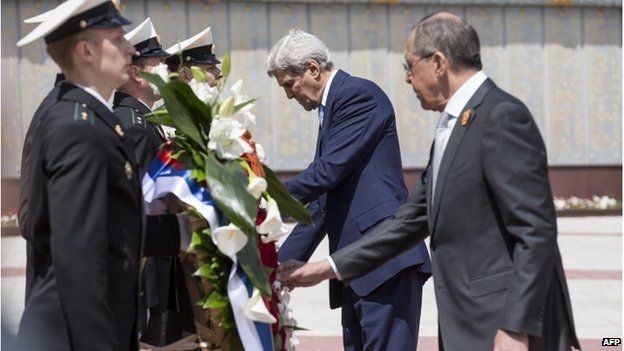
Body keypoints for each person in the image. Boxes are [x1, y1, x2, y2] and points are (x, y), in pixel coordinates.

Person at [279, 13, 580, 351]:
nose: (407, 79)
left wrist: (515, 327)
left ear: (438, 62)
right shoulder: (453, 124)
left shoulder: (501, 116)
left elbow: (535, 230)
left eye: (409, 67)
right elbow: (410, 220)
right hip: (467, 321)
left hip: (504, 326)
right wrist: (327, 268)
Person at [16, 1, 179, 350]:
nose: (130, 49)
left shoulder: (91, 115)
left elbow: (110, 226)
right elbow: (79, 260)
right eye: (118, 38)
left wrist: (183, 232)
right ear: (86, 51)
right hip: (76, 332)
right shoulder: (78, 126)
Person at [266, 29, 431, 350]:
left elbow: (324, 175)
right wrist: (279, 265)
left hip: (385, 260)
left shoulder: (357, 97)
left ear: (312, 69)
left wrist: (260, 202)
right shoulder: (333, 108)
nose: (289, 95)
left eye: (289, 84)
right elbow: (321, 203)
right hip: (356, 268)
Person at [113, 17, 196, 346]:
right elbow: (144, 203)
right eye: (160, 64)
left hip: (162, 261)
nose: (169, 71)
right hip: (152, 271)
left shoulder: (143, 119)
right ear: (136, 73)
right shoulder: (133, 124)